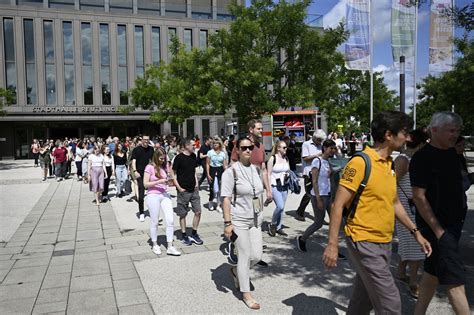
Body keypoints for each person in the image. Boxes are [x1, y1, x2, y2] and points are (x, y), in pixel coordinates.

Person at [322, 110, 432, 314]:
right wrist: (332, 245)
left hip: (383, 241)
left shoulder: (390, 163)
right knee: (390, 303)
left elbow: (394, 201)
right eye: (404, 132)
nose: (408, 138)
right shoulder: (360, 162)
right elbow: (337, 205)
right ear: (389, 135)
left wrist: (416, 232)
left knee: (363, 299)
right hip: (362, 240)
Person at [411, 112, 470, 315]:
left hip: (453, 225)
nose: (455, 135)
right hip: (437, 228)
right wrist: (438, 231)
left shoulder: (453, 154)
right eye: (451, 130)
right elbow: (418, 197)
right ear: (434, 130)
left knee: (432, 273)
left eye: (458, 131)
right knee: (455, 279)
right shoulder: (422, 157)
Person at [222, 137, 265, 310]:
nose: (248, 150)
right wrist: (227, 223)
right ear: (237, 150)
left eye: (250, 147)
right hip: (238, 220)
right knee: (245, 255)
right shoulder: (231, 172)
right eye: (244, 148)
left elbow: (258, 193)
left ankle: (235, 271)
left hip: (255, 219)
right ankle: (246, 294)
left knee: (257, 256)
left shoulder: (256, 169)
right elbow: (225, 198)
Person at [393, 129, 429, 299]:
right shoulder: (403, 159)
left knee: (408, 244)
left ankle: (400, 273)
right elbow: (391, 187)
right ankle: (414, 282)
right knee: (415, 247)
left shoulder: (415, 159)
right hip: (406, 209)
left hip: (413, 208)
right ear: (421, 143)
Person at [296, 140, 337, 251]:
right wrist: (318, 199)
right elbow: (314, 182)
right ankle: (302, 239)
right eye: (331, 148)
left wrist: (331, 173)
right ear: (324, 148)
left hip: (328, 195)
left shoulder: (328, 161)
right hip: (319, 196)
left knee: (335, 222)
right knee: (318, 223)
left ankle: (333, 248)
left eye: (334, 148)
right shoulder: (316, 161)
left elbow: (331, 178)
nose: (333, 150)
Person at [144, 149, 181, 256]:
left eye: (164, 158)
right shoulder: (149, 167)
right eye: (161, 158)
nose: (162, 160)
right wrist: (159, 181)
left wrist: (169, 181)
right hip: (153, 195)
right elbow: (145, 184)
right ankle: (155, 244)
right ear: (156, 157)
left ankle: (170, 246)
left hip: (164, 194)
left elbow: (169, 179)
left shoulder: (165, 166)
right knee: (155, 221)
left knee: (170, 220)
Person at [171, 138, 203, 246]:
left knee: (198, 212)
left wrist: (196, 183)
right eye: (193, 145)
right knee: (183, 214)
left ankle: (194, 233)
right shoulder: (178, 158)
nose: (195, 146)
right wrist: (179, 188)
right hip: (183, 191)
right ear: (186, 146)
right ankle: (184, 235)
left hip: (194, 189)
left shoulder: (193, 156)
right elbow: (173, 174)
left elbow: (193, 171)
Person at [295, 130, 326, 221]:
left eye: (321, 140)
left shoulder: (321, 145)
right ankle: (300, 211)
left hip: (319, 172)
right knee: (309, 194)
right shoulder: (306, 144)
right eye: (319, 140)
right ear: (315, 138)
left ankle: (319, 216)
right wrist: (317, 155)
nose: (320, 142)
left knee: (319, 194)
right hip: (309, 173)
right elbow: (305, 158)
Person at [267, 140, 290, 237]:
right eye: (284, 147)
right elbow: (268, 174)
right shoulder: (272, 159)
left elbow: (288, 171)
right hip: (275, 185)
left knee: (282, 208)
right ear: (278, 148)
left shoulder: (286, 158)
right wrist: (268, 189)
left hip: (284, 186)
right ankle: (272, 224)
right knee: (279, 206)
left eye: (286, 147)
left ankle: (279, 227)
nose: (286, 149)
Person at [131, 135, 154, 222]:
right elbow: (134, 161)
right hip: (139, 173)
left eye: (147, 140)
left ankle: (153, 212)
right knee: (141, 195)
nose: (146, 141)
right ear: (142, 140)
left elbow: (153, 161)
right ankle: (141, 213)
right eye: (144, 139)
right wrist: (135, 171)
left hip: (148, 173)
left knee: (152, 194)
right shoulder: (136, 150)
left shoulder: (151, 149)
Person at [206, 137, 228, 212]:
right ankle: (211, 202)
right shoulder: (210, 152)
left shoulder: (222, 153)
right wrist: (208, 174)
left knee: (220, 190)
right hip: (212, 170)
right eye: (214, 143)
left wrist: (226, 173)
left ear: (219, 144)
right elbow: (207, 164)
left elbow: (224, 165)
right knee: (214, 189)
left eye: (217, 143)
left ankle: (219, 205)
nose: (215, 145)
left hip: (220, 170)